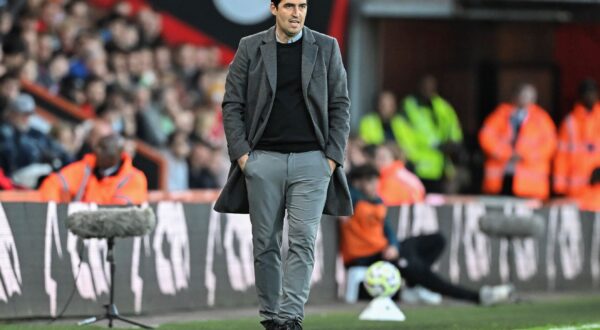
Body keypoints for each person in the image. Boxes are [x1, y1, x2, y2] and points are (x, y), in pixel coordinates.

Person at [214, 0, 352, 329]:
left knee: (303, 239)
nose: (297, 13)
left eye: (302, 5)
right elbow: (232, 102)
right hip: (263, 161)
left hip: (313, 163)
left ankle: (291, 318)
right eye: (289, 5)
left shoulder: (327, 46)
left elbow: (340, 104)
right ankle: (270, 318)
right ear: (273, 8)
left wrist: (332, 158)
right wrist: (243, 156)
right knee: (265, 243)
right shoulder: (250, 47)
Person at [340, 164, 514, 306]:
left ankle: (414, 285)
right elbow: (345, 190)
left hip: (386, 251)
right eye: (370, 182)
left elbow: (388, 230)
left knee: (436, 240)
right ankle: (478, 297)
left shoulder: (377, 202)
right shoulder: (352, 201)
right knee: (418, 269)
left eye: (376, 181)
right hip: (367, 258)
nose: (375, 186)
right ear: (358, 183)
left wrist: (393, 245)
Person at [479, 83, 557, 199]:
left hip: (530, 183)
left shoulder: (541, 119)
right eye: (522, 96)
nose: (525, 100)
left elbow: (549, 145)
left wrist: (525, 155)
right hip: (502, 177)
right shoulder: (501, 115)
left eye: (528, 97)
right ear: (514, 97)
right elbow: (486, 137)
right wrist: (506, 154)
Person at [39, 134, 147, 205]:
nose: (96, 151)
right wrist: (57, 211)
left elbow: (118, 212)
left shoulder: (134, 178)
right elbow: (52, 183)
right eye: (97, 146)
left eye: (103, 148)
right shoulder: (85, 167)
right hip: (79, 229)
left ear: (118, 154)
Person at [400, 75, 464, 193]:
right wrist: (410, 158)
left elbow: (455, 134)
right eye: (425, 87)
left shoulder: (443, 107)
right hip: (415, 165)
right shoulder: (408, 106)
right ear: (419, 88)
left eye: (431, 88)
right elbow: (402, 132)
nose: (428, 91)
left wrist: (451, 144)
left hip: (439, 167)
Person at [0, 93, 72, 185]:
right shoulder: (5, 131)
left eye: (29, 114)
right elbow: (10, 160)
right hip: (14, 176)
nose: (26, 118)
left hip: (35, 174)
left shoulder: (35, 133)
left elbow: (59, 151)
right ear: (13, 113)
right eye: (23, 114)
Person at [554, 79, 600, 198]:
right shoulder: (570, 121)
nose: (590, 96)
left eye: (592, 92)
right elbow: (561, 156)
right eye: (586, 93)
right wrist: (560, 187)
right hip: (575, 190)